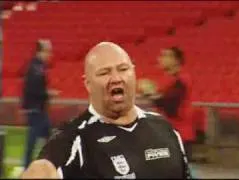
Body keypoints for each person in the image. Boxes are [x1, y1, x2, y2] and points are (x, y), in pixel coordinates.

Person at [20, 42, 191, 179]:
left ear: (134, 73)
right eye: (104, 73)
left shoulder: (165, 129)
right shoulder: (74, 137)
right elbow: (43, 168)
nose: (116, 78)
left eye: (123, 69)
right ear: (88, 84)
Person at [139, 47, 195, 161]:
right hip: (166, 132)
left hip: (179, 134)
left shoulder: (182, 80)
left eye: (165, 56)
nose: (160, 59)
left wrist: (150, 94)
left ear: (175, 60)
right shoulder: (168, 80)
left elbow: (170, 105)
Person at [21, 39, 60, 169]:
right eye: (48, 51)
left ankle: (48, 164)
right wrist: (48, 93)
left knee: (46, 138)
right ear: (40, 52)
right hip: (36, 109)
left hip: (37, 108)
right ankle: (28, 167)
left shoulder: (37, 66)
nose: (50, 55)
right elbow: (34, 89)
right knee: (35, 140)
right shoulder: (36, 68)